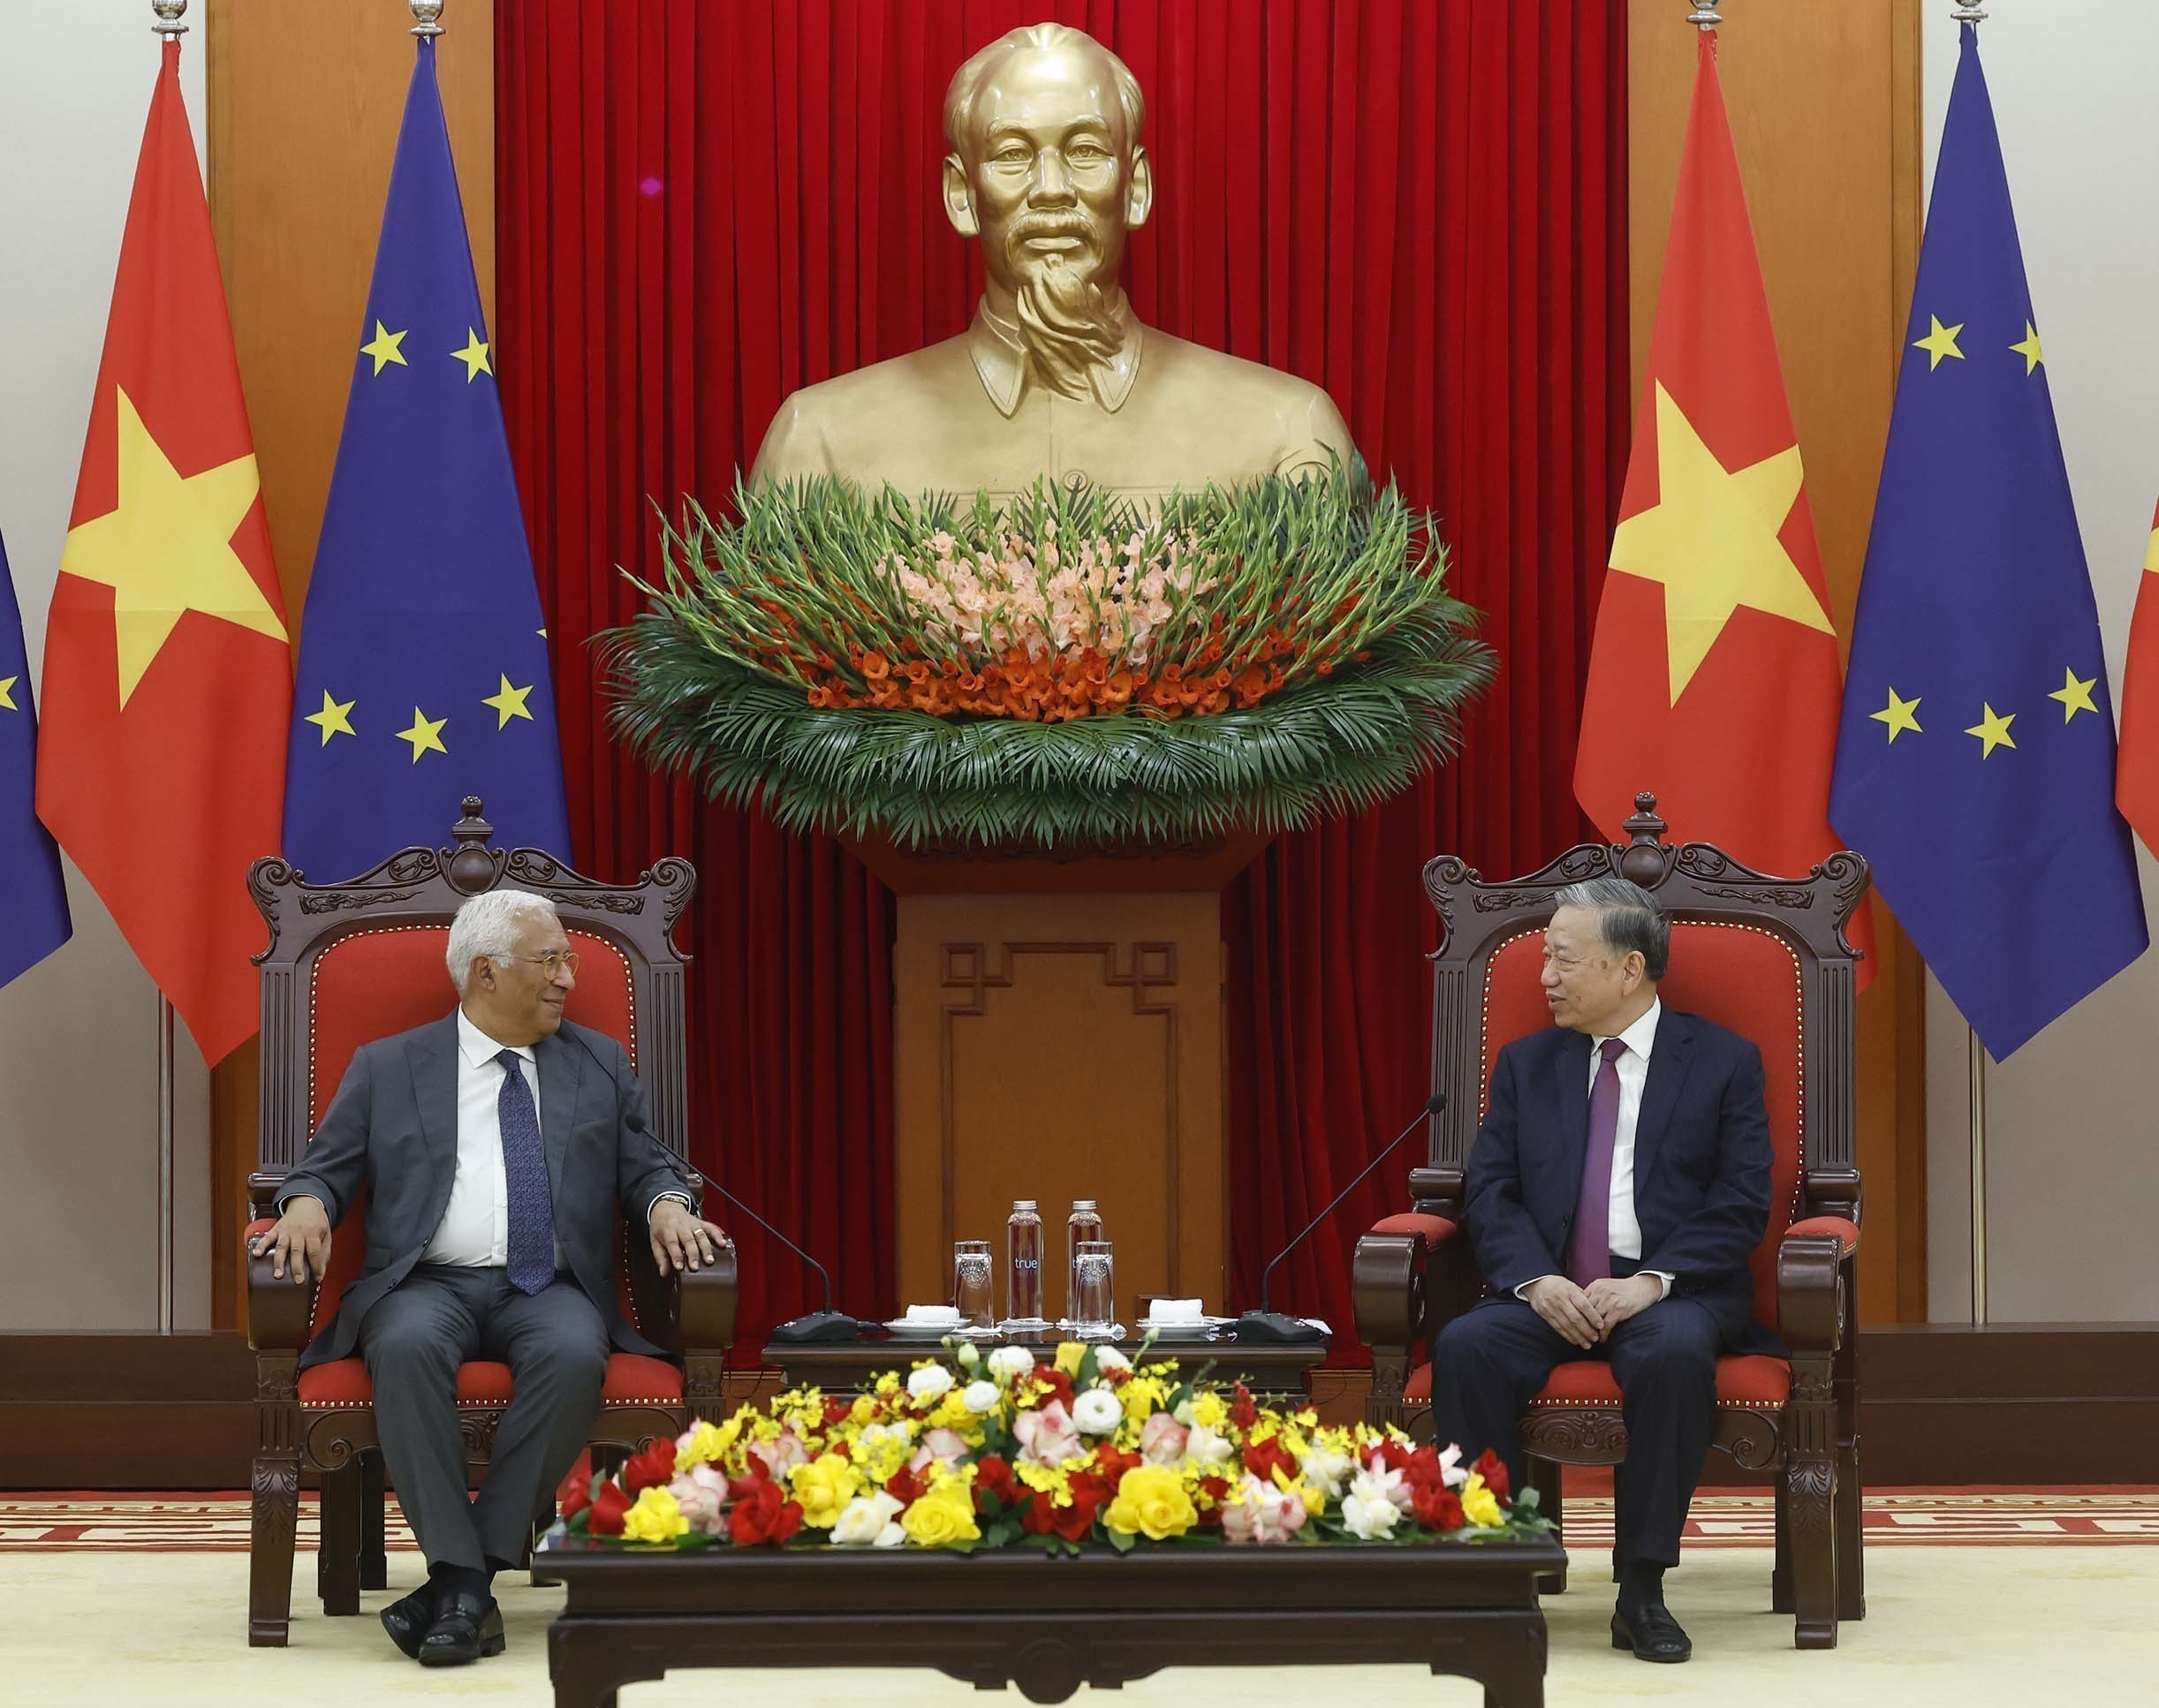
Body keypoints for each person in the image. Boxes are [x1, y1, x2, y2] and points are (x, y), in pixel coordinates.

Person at [249, 889, 728, 1667]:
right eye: (551, 961)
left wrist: (668, 1204)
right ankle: (468, 1584)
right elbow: (322, 1171)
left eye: (570, 961)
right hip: (424, 1285)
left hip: (550, 1289)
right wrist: (304, 1204)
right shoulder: (389, 1066)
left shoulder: (597, 1062)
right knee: (404, 1347)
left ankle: (460, 1585)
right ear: (485, 972)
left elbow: (647, 1167)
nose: (568, 978)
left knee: (573, 1353)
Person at [750, 21, 1354, 503]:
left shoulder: (1287, 437)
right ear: (961, 195)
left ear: (1136, 187)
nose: (1051, 189)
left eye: (1085, 150)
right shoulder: (820, 446)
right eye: (1012, 154)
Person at [1428, 878, 1775, 1664]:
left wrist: (1651, 1281)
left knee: (1674, 1352)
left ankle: (1641, 1591)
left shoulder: (1723, 1062)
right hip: (1549, 1286)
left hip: (1667, 1290)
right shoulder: (1527, 1065)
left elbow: (1740, 1201)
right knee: (1467, 1347)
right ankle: (1498, 1580)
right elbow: (1491, 1191)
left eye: (1563, 960)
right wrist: (1535, 1280)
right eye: (1545, 958)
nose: (1544, 977)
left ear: (1629, 968)